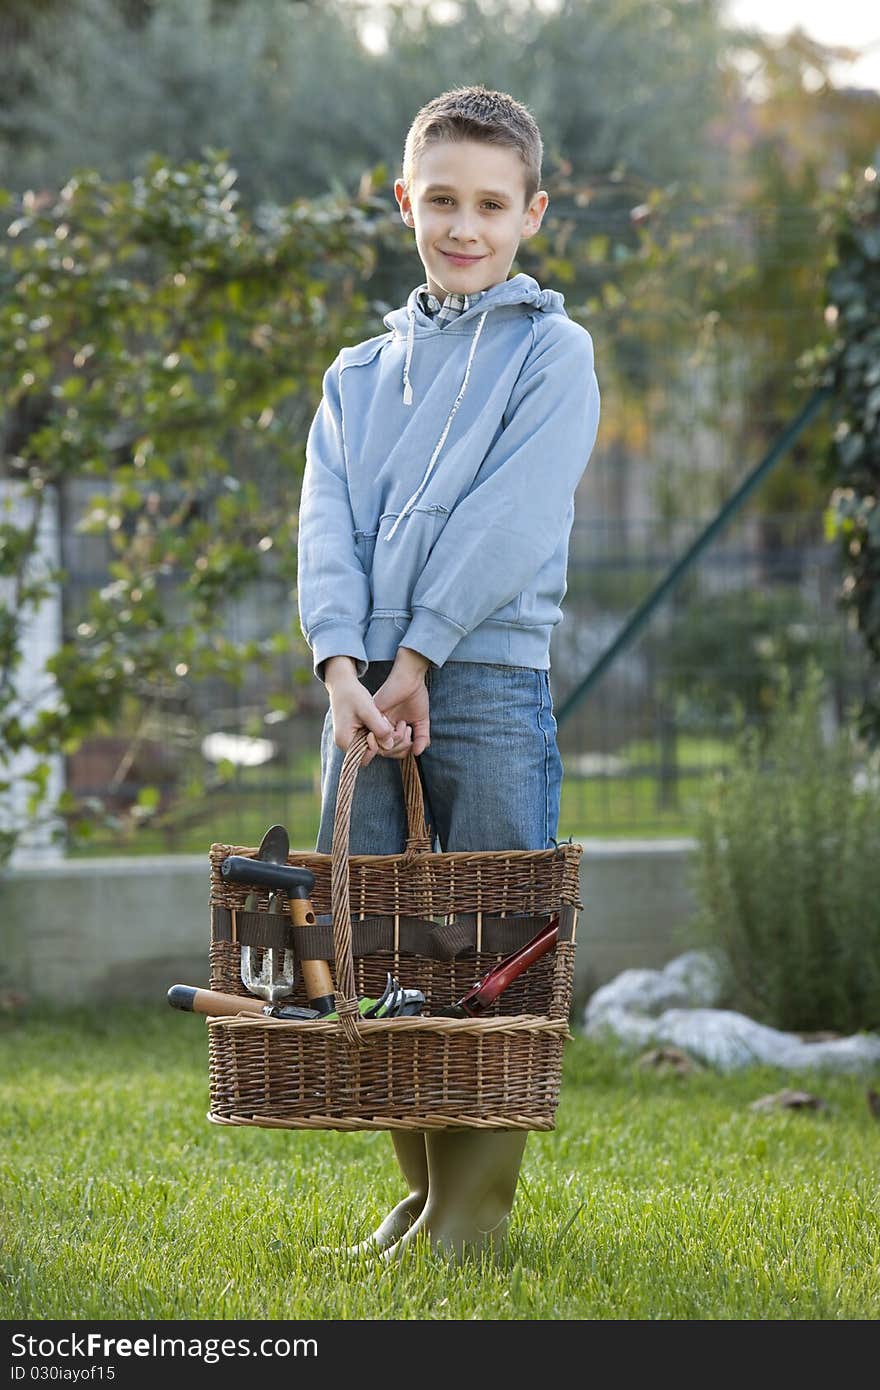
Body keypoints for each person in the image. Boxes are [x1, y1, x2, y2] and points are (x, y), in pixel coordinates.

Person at [297, 84, 600, 1260]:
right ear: (402, 201)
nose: (462, 227)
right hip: (361, 698)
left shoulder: (553, 353)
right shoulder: (356, 373)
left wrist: (418, 653)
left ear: (531, 211)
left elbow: (508, 521)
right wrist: (342, 668)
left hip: (479, 679)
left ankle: (475, 1214)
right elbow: (323, 521)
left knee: (493, 939)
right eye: (440, 201)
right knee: (385, 946)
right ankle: (423, 1196)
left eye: (489, 204)